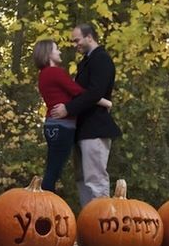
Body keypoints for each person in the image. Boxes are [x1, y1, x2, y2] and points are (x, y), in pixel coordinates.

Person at [50, 23, 122, 207]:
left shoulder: (101, 59)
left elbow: (94, 92)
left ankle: (102, 226)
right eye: (73, 41)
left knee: (96, 179)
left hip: (95, 129)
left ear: (89, 37)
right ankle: (89, 225)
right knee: (82, 180)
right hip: (81, 130)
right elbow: (79, 91)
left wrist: (68, 109)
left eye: (77, 40)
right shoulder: (85, 62)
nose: (75, 44)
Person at [32, 39, 112, 193]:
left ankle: (43, 199)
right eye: (56, 49)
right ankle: (43, 202)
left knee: (53, 166)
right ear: (48, 53)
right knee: (54, 169)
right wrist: (105, 103)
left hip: (52, 125)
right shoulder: (55, 72)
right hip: (62, 126)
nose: (60, 52)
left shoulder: (43, 75)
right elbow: (79, 92)